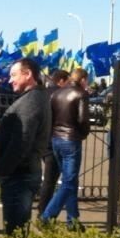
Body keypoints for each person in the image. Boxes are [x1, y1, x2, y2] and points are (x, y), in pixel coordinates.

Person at [0, 58, 51, 235]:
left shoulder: (31, 101)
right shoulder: (33, 97)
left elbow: (22, 140)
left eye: (13, 75)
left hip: (19, 175)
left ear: (28, 74)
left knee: (15, 232)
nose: (10, 80)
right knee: (16, 230)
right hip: (20, 173)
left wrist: (4, 168)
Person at [39, 68, 89, 227]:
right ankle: (47, 216)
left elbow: (50, 117)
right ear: (82, 79)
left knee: (70, 181)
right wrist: (83, 133)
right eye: (86, 80)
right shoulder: (80, 94)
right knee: (68, 182)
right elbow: (83, 120)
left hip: (56, 139)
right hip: (71, 140)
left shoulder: (56, 94)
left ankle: (72, 220)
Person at [37, 69, 71, 216]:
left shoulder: (41, 93)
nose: (69, 85)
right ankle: (44, 212)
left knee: (51, 179)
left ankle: (46, 210)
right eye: (68, 82)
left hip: (42, 140)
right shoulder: (60, 94)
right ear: (61, 81)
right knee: (52, 180)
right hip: (55, 139)